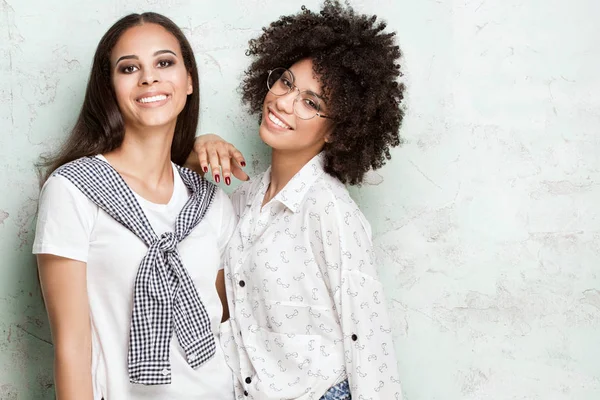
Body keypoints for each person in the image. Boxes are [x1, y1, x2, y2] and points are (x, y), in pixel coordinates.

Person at [190, 1, 405, 399]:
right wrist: (195, 148)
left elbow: (367, 337)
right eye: (286, 83)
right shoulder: (245, 199)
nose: (285, 102)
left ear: (339, 132)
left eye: (311, 103)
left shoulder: (331, 210)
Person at [33, 13, 236, 400]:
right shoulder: (73, 190)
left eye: (164, 62)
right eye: (129, 68)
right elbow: (72, 349)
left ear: (188, 80)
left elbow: (224, 324)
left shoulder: (211, 202)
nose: (149, 78)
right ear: (109, 87)